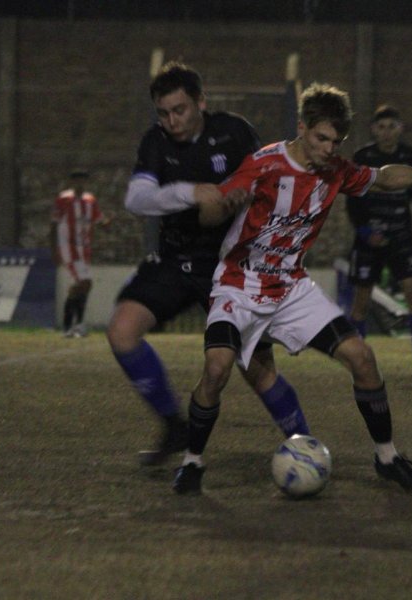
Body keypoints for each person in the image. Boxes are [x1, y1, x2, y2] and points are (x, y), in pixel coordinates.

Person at [172, 83, 412, 497]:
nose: (329, 148)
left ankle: (387, 457)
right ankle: (192, 462)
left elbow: (383, 179)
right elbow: (213, 211)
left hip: (291, 286)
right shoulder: (263, 164)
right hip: (238, 284)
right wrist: (216, 204)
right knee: (217, 370)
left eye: (336, 141)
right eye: (321, 138)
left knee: (362, 358)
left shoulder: (336, 170)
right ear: (301, 127)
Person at [106, 62, 310, 467]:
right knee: (122, 330)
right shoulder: (155, 143)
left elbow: (271, 178)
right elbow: (137, 199)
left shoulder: (233, 131)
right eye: (163, 113)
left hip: (231, 264)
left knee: (255, 365)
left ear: (201, 102)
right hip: (176, 258)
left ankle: (303, 442)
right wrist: (191, 192)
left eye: (179, 110)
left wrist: (243, 196)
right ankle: (174, 425)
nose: (171, 121)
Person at [345, 105, 412, 385]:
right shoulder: (363, 157)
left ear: (400, 129)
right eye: (381, 126)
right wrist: (365, 231)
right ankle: (358, 363)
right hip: (370, 238)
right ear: (373, 130)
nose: (386, 131)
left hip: (401, 235)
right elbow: (352, 201)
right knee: (361, 302)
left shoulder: (410, 156)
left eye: (392, 126)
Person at [50, 169, 113, 338]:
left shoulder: (90, 200)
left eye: (83, 181)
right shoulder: (64, 199)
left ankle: (71, 326)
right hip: (68, 248)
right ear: (71, 183)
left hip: (84, 249)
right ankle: (75, 325)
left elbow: (99, 220)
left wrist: (108, 224)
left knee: (80, 287)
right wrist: (54, 249)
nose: (80, 184)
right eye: (77, 180)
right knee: (85, 282)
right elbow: (54, 225)